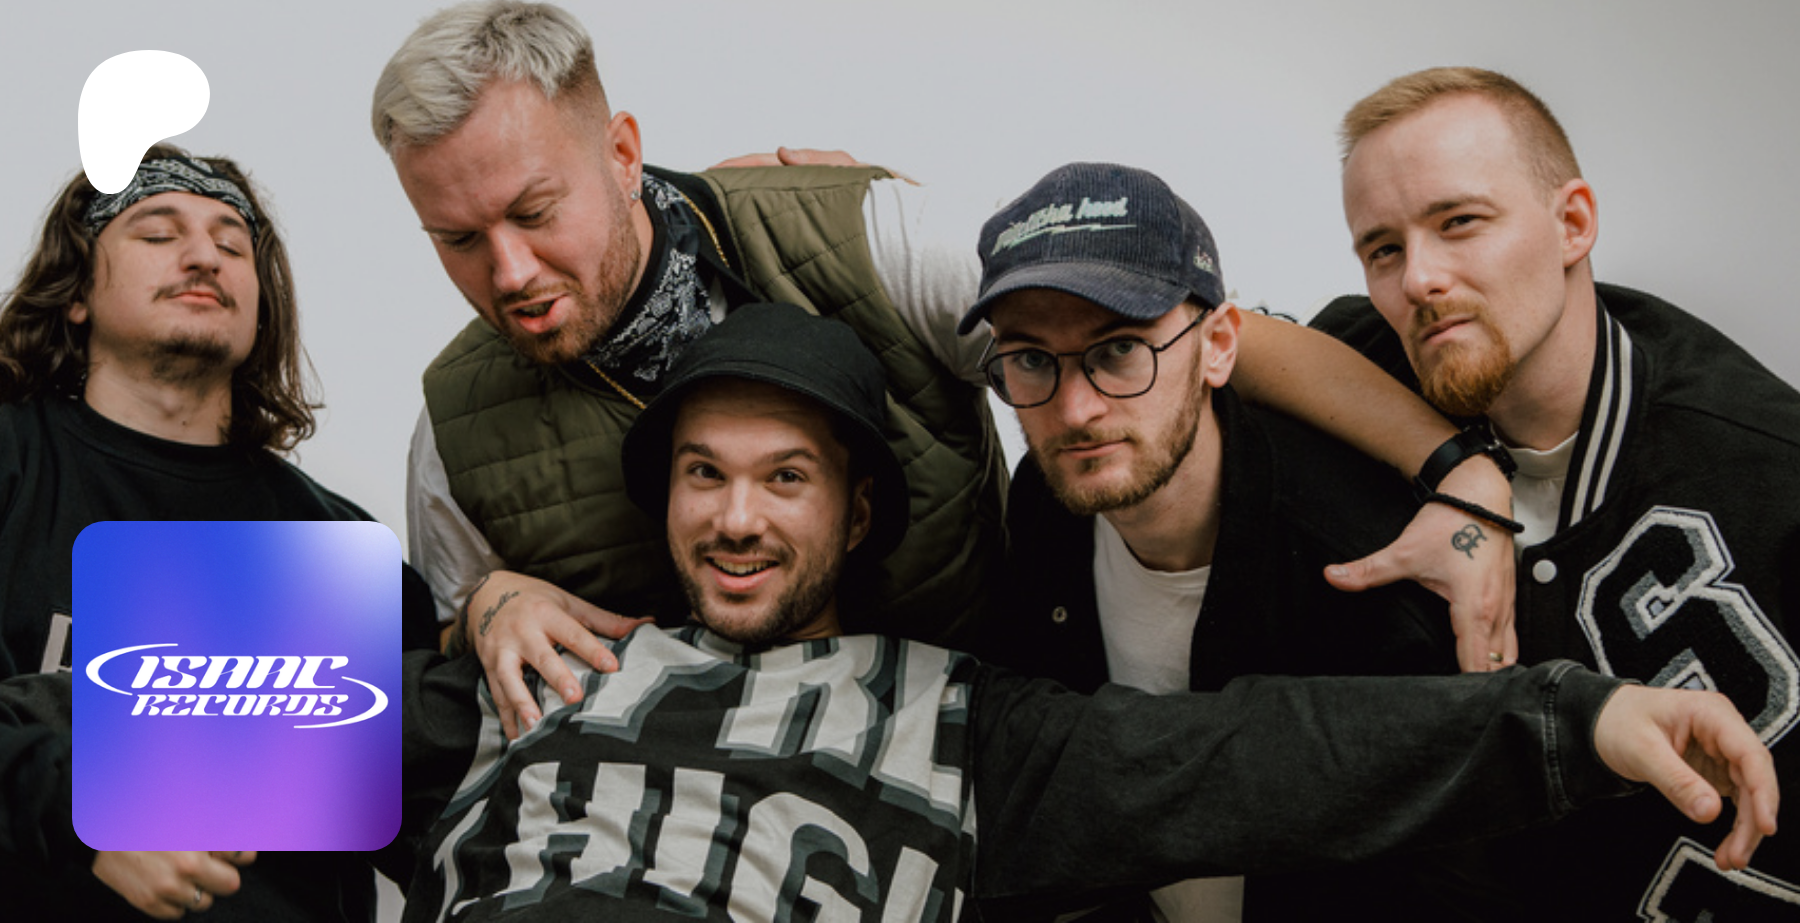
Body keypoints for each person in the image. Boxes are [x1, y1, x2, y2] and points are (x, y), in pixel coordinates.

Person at [388, 302, 1777, 922]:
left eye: (786, 478)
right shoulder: (546, 663)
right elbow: (253, 726)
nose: (736, 517)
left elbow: (1262, 754)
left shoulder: (953, 720)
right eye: (704, 474)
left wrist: (1577, 717)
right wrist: (473, 600)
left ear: (857, 516)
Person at [375, 0, 1521, 741]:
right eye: (456, 239)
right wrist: (486, 604)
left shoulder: (862, 235)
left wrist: (1457, 470)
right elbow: (443, 660)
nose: (508, 270)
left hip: (979, 750)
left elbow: (1168, 331)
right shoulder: (454, 427)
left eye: (536, 211)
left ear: (623, 152)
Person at [1302, 66, 1800, 918]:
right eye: (1383, 249)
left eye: (1459, 222)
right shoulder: (1377, 366)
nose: (1418, 278)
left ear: (1573, 223)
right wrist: (1461, 468)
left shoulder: (1763, 465)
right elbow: (1230, 342)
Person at [960, 162, 1488, 921]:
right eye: (1033, 360)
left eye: (1118, 349)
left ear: (1218, 345)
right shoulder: (1049, 503)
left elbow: (1452, 867)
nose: (1075, 411)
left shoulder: (1363, 565)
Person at [0, 146, 417, 921]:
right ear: (77, 291)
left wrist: (492, 604)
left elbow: (434, 790)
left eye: (232, 244)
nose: (203, 257)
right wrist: (80, 800)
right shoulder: (13, 466)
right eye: (159, 234)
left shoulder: (335, 543)